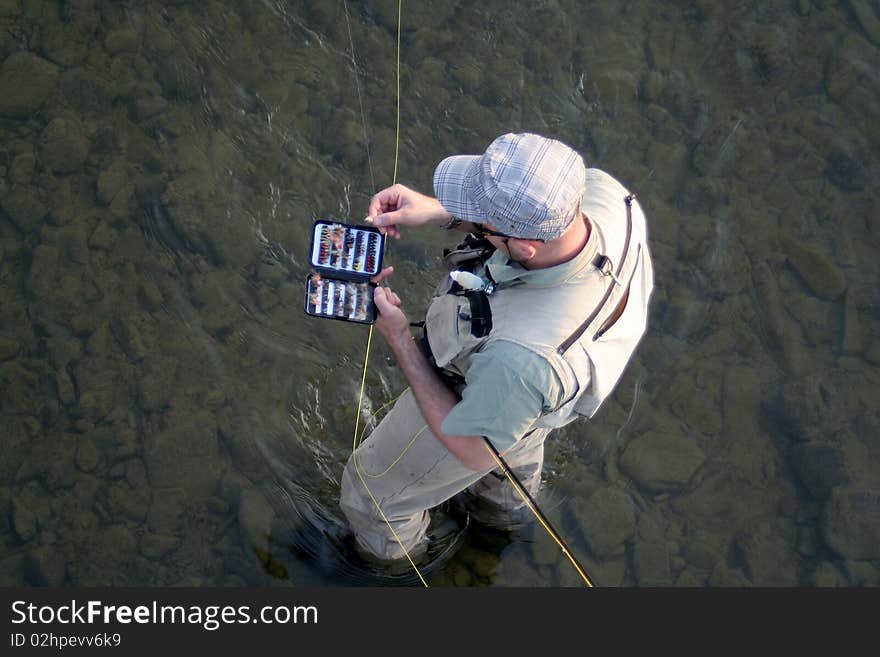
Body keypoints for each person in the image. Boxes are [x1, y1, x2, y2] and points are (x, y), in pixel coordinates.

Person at [339, 132, 654, 562]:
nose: (474, 220)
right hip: (531, 398)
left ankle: (395, 570)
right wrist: (438, 213)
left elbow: (472, 448)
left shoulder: (520, 362)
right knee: (515, 446)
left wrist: (398, 338)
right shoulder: (605, 194)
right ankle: (499, 524)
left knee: (372, 493)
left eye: (483, 219)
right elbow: (521, 231)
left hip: (494, 390)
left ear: (524, 246)